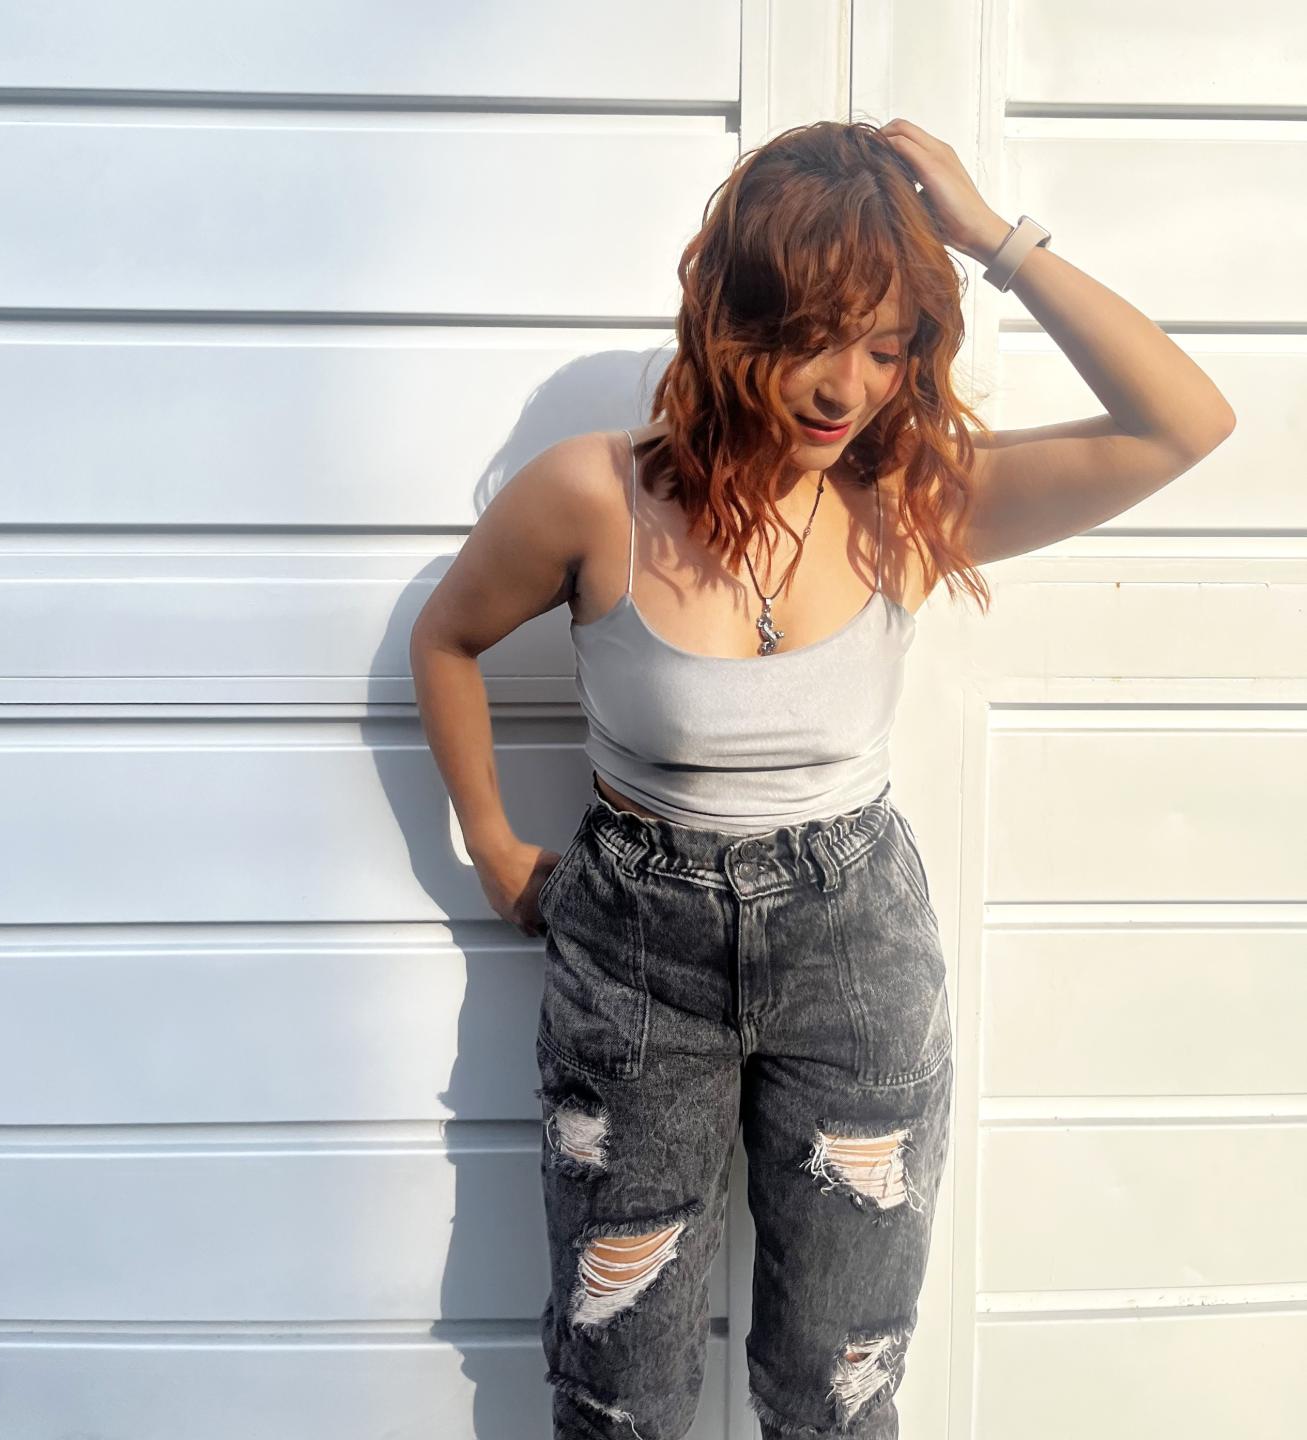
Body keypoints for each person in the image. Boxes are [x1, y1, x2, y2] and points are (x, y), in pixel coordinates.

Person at [410, 118, 1234, 1440]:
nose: (847, 386)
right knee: (620, 1393)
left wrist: (994, 239)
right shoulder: (592, 495)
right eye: (813, 336)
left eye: (888, 345)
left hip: (855, 950)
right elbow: (447, 639)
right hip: (636, 957)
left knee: (836, 1387)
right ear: (734, 316)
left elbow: (1184, 423)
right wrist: (495, 847)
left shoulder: (909, 502)